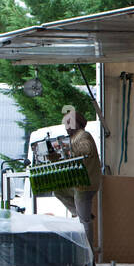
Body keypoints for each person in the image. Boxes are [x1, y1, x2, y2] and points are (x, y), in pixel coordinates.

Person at [54, 105, 102, 253]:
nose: (66, 127)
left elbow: (85, 149)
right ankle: (80, 212)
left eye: (69, 123)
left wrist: (66, 149)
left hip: (85, 183)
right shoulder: (74, 138)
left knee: (84, 221)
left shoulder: (83, 135)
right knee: (58, 191)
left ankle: (89, 254)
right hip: (78, 183)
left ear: (77, 123)